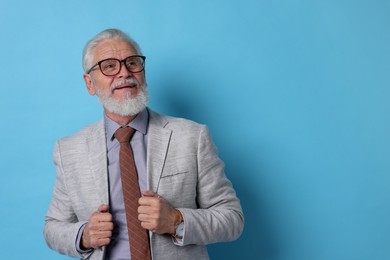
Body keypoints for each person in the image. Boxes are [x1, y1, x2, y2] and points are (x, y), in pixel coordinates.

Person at [44, 28, 244, 260]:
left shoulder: (192, 137)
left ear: (143, 71)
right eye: (109, 66)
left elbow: (232, 218)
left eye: (132, 63)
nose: (124, 73)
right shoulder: (69, 150)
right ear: (90, 83)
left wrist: (176, 221)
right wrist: (84, 236)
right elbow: (53, 227)